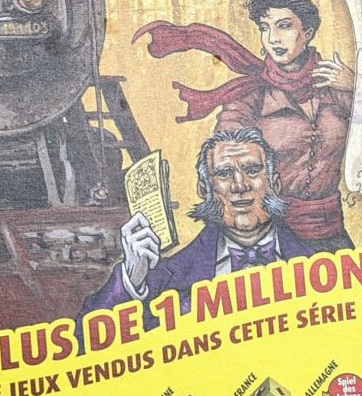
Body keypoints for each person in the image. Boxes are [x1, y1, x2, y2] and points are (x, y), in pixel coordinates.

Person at [135, 0, 356, 246]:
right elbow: (224, 150)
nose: (273, 38)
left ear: (307, 32)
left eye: (284, 26)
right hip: (272, 237)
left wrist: (355, 87)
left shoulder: (339, 87)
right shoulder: (250, 95)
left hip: (334, 232)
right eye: (265, 28)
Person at [84, 127, 317, 326]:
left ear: (274, 184)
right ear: (205, 190)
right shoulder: (170, 274)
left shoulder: (318, 258)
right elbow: (83, 340)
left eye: (252, 171)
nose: (240, 185)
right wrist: (131, 280)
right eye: (224, 174)